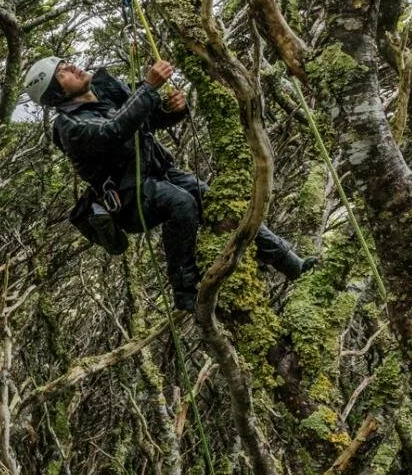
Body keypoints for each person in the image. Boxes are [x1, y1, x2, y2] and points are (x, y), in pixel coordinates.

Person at [26, 55, 313, 314]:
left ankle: (291, 263)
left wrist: (173, 110)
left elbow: (145, 121)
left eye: (67, 63)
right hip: (128, 198)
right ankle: (184, 289)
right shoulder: (69, 128)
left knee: (213, 199)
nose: (73, 67)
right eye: (63, 72)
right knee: (181, 203)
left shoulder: (106, 94)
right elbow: (111, 132)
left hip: (159, 175)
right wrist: (148, 88)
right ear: (57, 93)